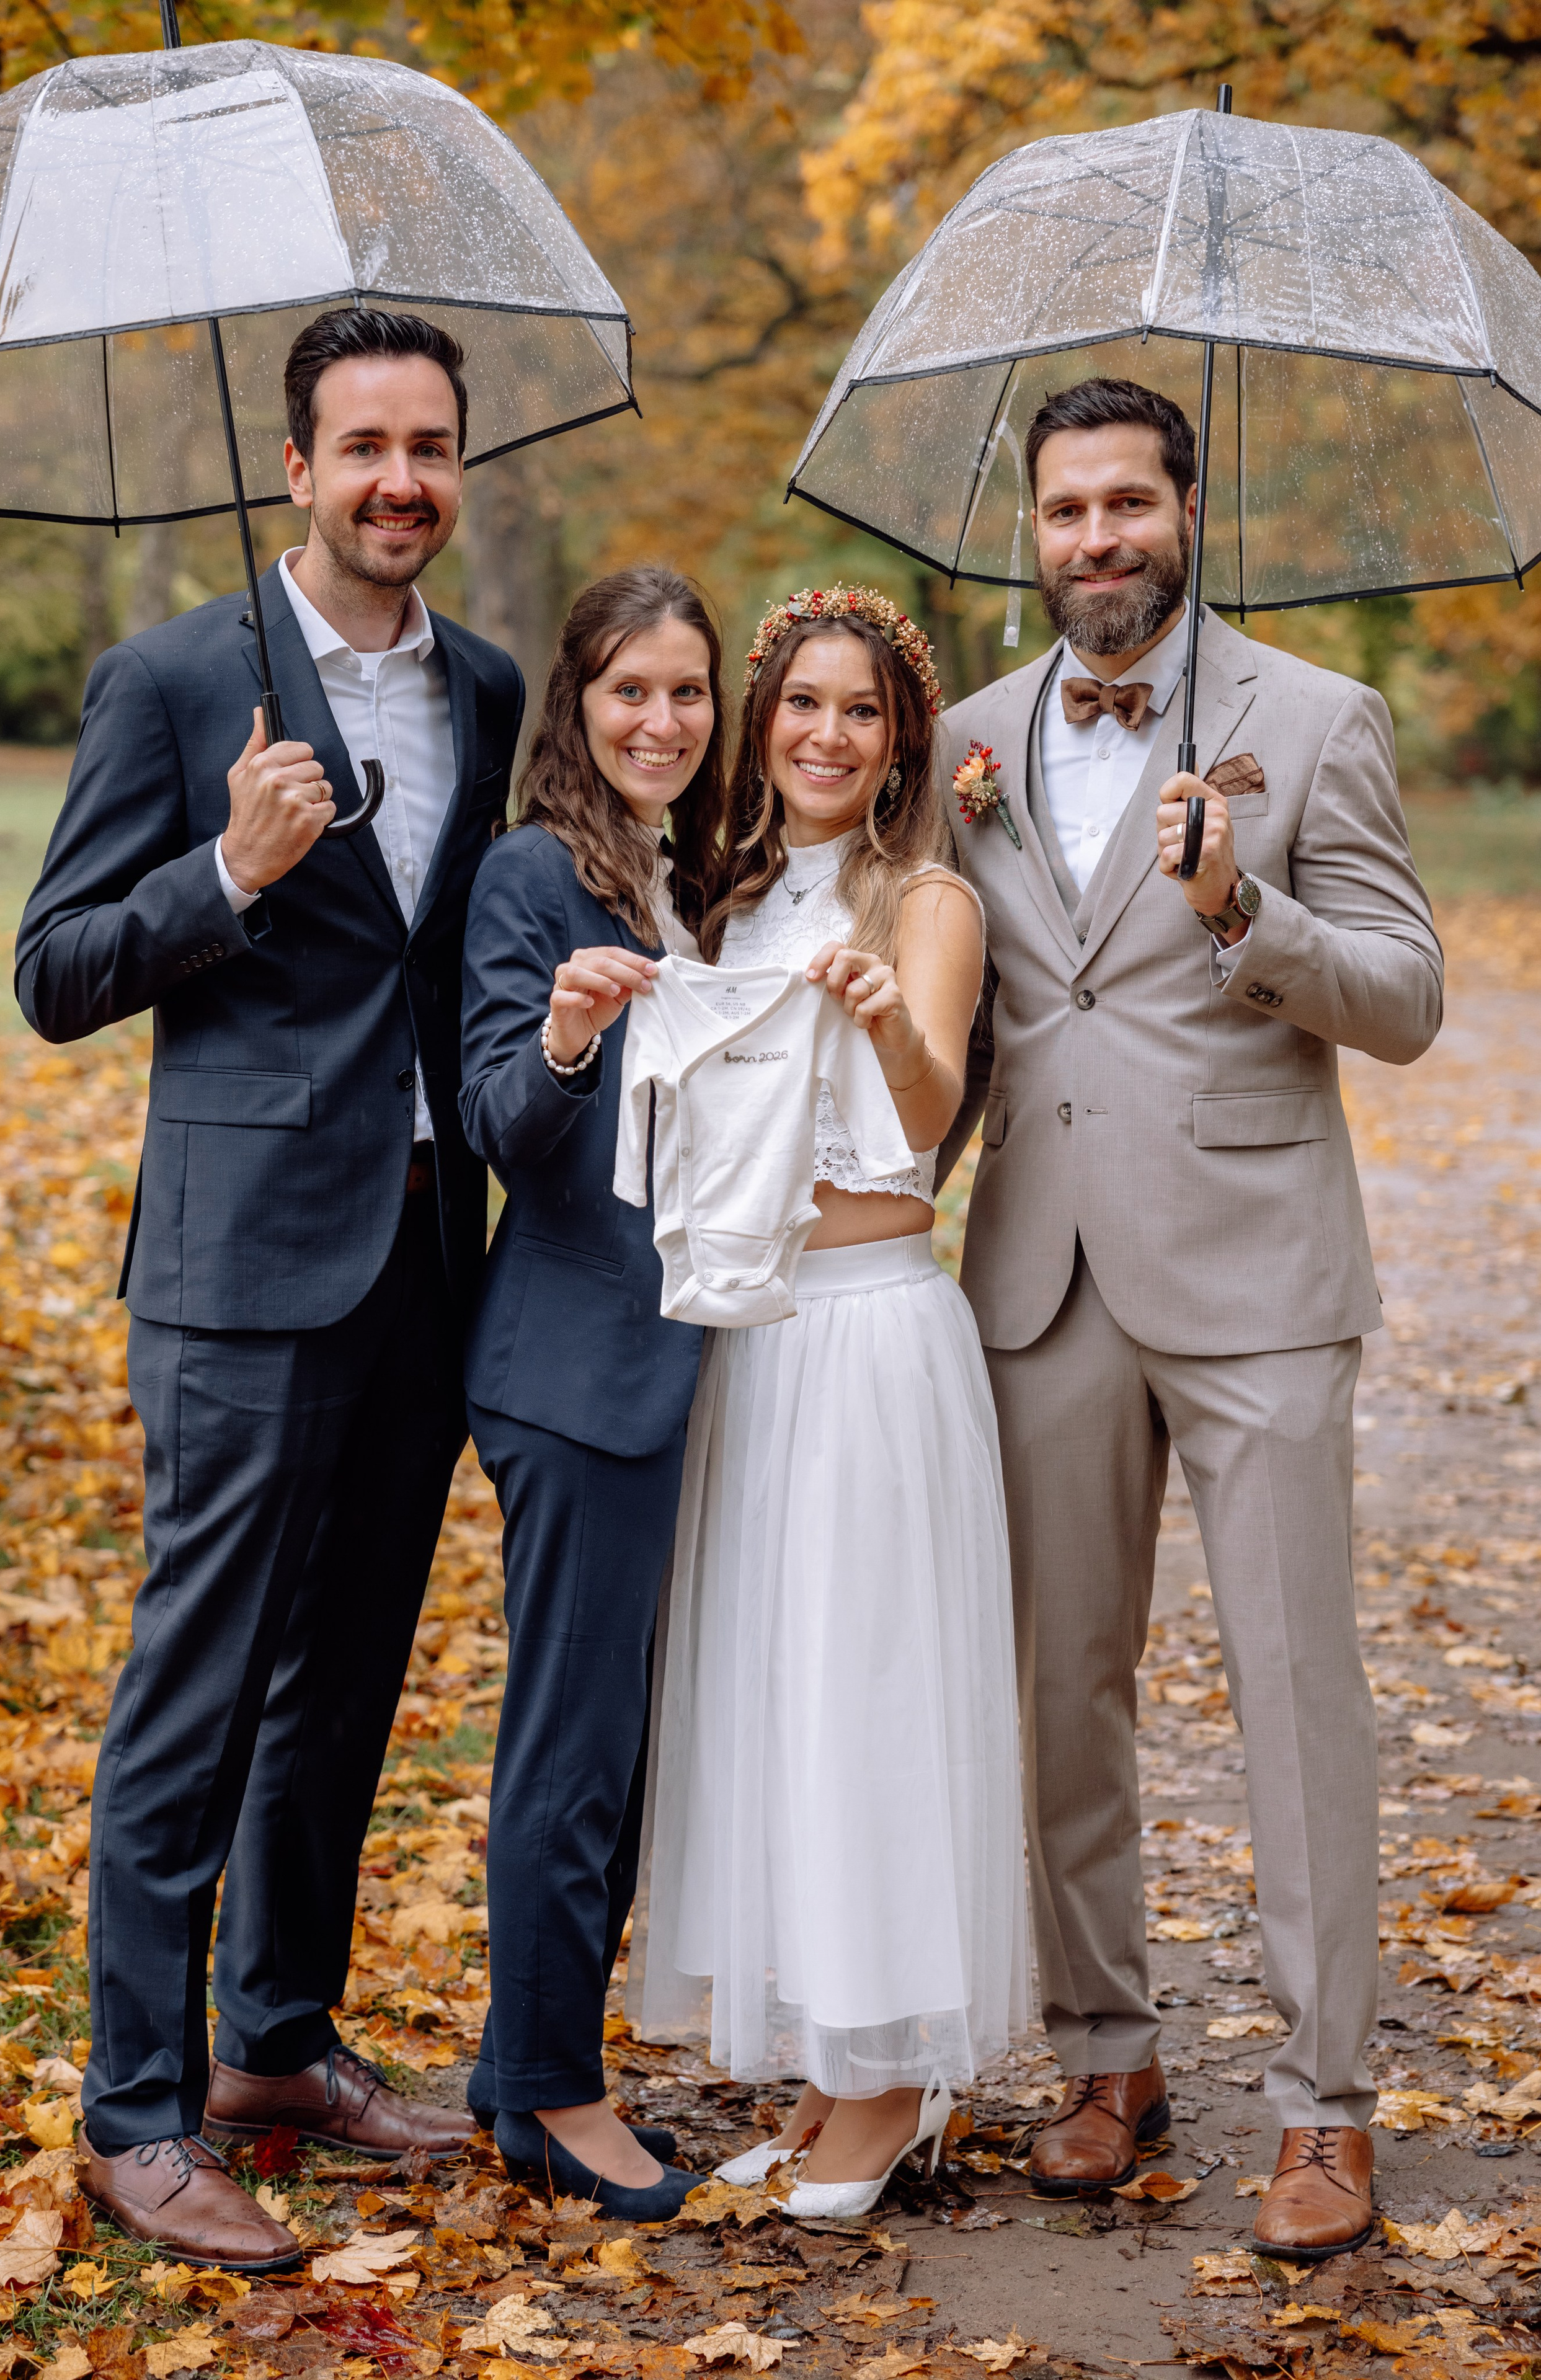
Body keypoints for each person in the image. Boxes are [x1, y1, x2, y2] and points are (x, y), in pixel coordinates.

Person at [14, 309, 523, 2268]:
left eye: (431, 445)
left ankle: (278, 2050)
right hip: (237, 1272)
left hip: (424, 1250)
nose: (402, 478)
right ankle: (137, 2115)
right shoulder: (170, 681)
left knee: (348, 1682)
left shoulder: (480, 685)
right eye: (363, 444)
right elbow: (58, 969)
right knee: (198, 1689)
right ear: (296, 468)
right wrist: (224, 873)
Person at [937, 376, 1443, 2260]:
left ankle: (1326, 2109)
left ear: (1187, 507)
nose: (1096, 539)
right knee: (1063, 1689)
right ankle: (1108, 2052)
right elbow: (969, 1013)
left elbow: (1401, 997)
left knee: (1300, 1690)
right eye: (1066, 510)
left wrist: (1248, 915)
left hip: (1256, 1276)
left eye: (1127, 503)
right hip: (1039, 1274)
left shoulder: (1317, 724)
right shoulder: (967, 742)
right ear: (1037, 532)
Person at [633, 584, 1031, 2219]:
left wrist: (885, 1021)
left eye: (860, 710)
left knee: (867, 1693)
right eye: (801, 702)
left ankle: (890, 2086)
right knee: (775, 1693)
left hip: (872, 1333)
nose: (824, 733)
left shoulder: (926, 897)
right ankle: (824, 2064)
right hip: (756, 1333)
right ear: (762, 718)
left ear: (898, 741)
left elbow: (930, 1112)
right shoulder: (718, 898)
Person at [457, 566, 731, 2221]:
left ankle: (524, 2066)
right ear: (580, 701)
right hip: (572, 1368)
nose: (661, 719)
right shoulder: (532, 878)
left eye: (689, 691)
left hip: (693, 1359)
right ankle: (554, 2088)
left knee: (626, 1749)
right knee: (573, 1749)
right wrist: (563, 1038)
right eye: (631, 689)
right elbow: (502, 1121)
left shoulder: (705, 880)